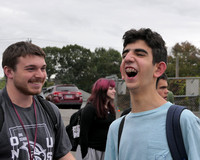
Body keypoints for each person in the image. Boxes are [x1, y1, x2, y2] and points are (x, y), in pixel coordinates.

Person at [105, 28, 200, 159]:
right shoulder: (116, 129)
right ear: (122, 71)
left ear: (159, 69)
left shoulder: (183, 121)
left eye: (139, 54)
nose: (127, 58)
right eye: (124, 55)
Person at [0, 41, 75, 160]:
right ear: (9, 72)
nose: (40, 75)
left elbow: (64, 155)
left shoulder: (50, 110)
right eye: (31, 69)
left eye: (43, 68)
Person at [76, 78, 116, 160]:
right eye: (111, 89)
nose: (114, 91)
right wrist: (85, 156)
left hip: (105, 151)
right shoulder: (90, 109)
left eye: (114, 89)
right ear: (102, 90)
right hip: (91, 151)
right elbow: (83, 134)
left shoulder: (111, 109)